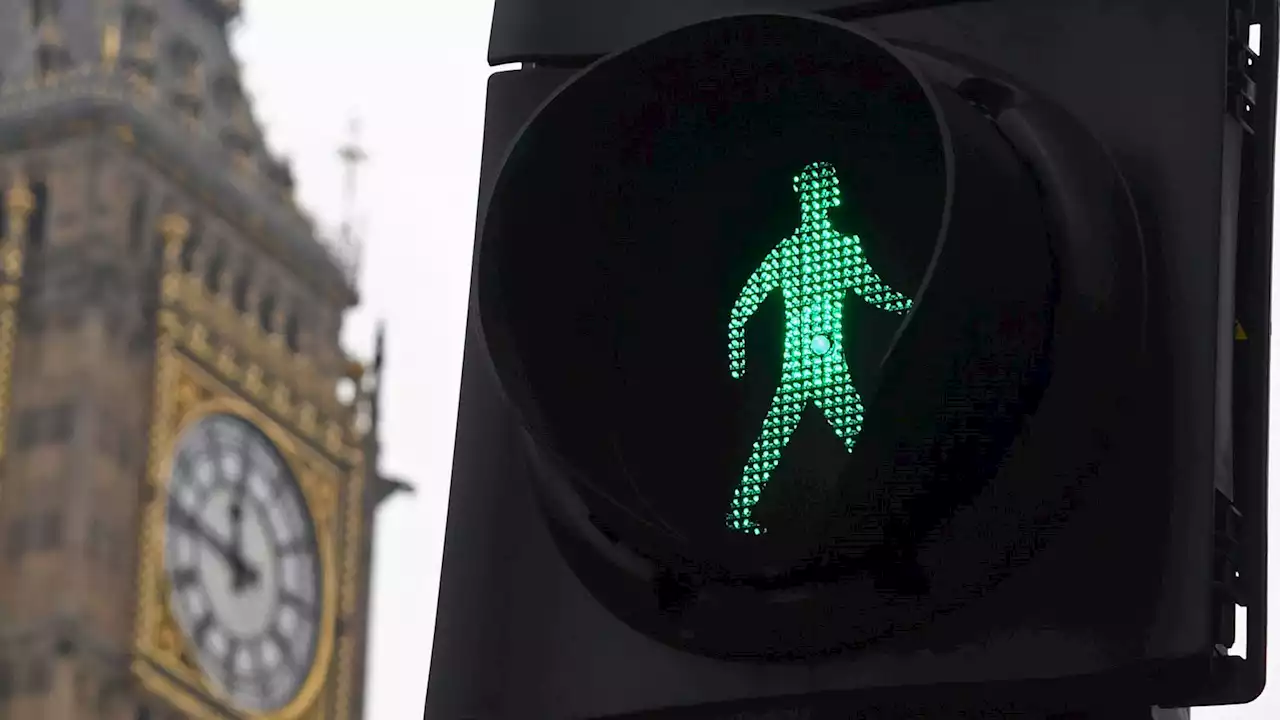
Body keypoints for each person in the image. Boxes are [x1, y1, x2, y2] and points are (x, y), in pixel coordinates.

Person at [727, 161, 913, 535]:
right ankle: (740, 513)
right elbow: (743, 306)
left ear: (831, 197)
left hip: (829, 369)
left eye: (822, 191)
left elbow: (875, 292)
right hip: (799, 368)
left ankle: (889, 509)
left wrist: (910, 305)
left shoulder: (844, 249)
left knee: (858, 441)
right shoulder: (786, 253)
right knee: (777, 442)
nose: (817, 198)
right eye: (813, 191)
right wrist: (737, 354)